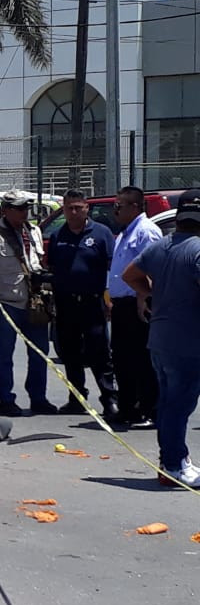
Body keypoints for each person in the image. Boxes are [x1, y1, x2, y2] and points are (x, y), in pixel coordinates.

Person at [121, 189, 200, 487]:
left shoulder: (161, 247)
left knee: (168, 403)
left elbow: (129, 275)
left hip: (160, 338)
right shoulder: (197, 250)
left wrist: (151, 294)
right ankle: (174, 465)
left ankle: (171, 461)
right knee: (179, 405)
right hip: (188, 341)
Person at [0, 189, 58, 416]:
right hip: (8, 303)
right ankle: (6, 399)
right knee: (5, 356)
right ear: (5, 211)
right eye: (19, 208)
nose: (24, 212)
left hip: (35, 302)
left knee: (40, 353)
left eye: (26, 207)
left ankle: (38, 398)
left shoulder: (34, 232)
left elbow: (40, 262)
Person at [46, 190, 119, 418]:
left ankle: (110, 399)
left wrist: (108, 299)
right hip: (66, 304)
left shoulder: (101, 233)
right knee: (70, 353)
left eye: (78, 207)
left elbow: (112, 268)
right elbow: (52, 268)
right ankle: (76, 398)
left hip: (93, 303)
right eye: (69, 208)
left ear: (87, 208)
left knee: (100, 353)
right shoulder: (58, 236)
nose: (74, 212)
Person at [108, 185, 163, 429]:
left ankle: (148, 410)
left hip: (137, 304)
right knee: (122, 358)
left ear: (134, 206)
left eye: (119, 205)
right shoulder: (124, 233)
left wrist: (143, 297)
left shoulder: (145, 231)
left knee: (142, 359)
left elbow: (152, 268)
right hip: (121, 305)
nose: (115, 210)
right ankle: (128, 408)